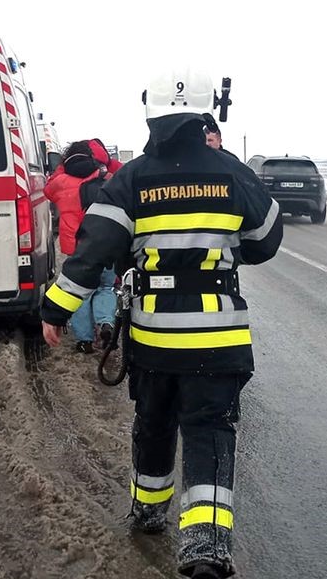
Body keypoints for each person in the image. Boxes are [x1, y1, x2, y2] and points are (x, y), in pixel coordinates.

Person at [40, 69, 282, 579]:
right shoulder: (233, 172)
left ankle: (150, 512)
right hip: (220, 338)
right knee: (210, 434)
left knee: (154, 425)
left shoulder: (130, 178)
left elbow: (93, 252)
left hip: (155, 337)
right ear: (202, 114)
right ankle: (207, 548)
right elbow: (265, 238)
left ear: (150, 111)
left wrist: (56, 309)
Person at [43, 139, 121, 353]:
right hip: (105, 245)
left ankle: (84, 340)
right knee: (106, 288)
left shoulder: (60, 182)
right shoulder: (103, 177)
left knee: (79, 293)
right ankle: (106, 323)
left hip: (76, 247)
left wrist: (60, 167)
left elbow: (47, 190)